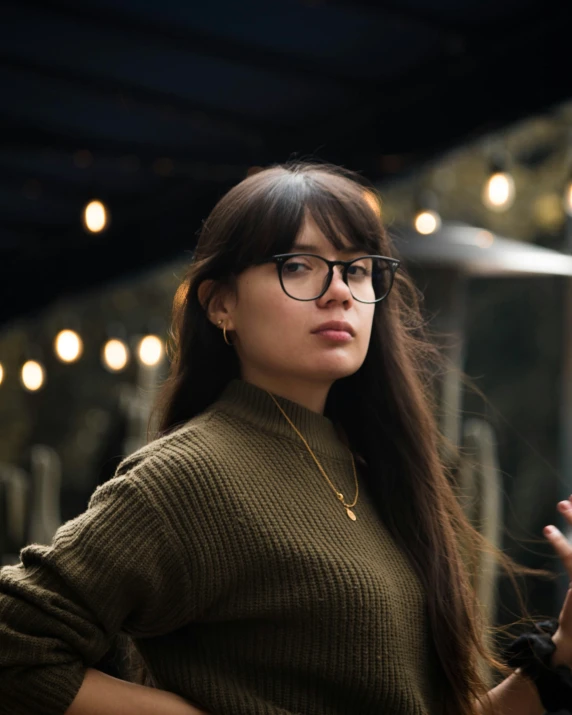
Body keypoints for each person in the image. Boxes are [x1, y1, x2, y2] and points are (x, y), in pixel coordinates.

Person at [0, 162, 571, 715]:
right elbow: (14, 638)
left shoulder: (379, 468)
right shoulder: (193, 474)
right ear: (221, 304)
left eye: (357, 269)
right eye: (298, 265)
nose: (339, 292)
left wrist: (563, 653)